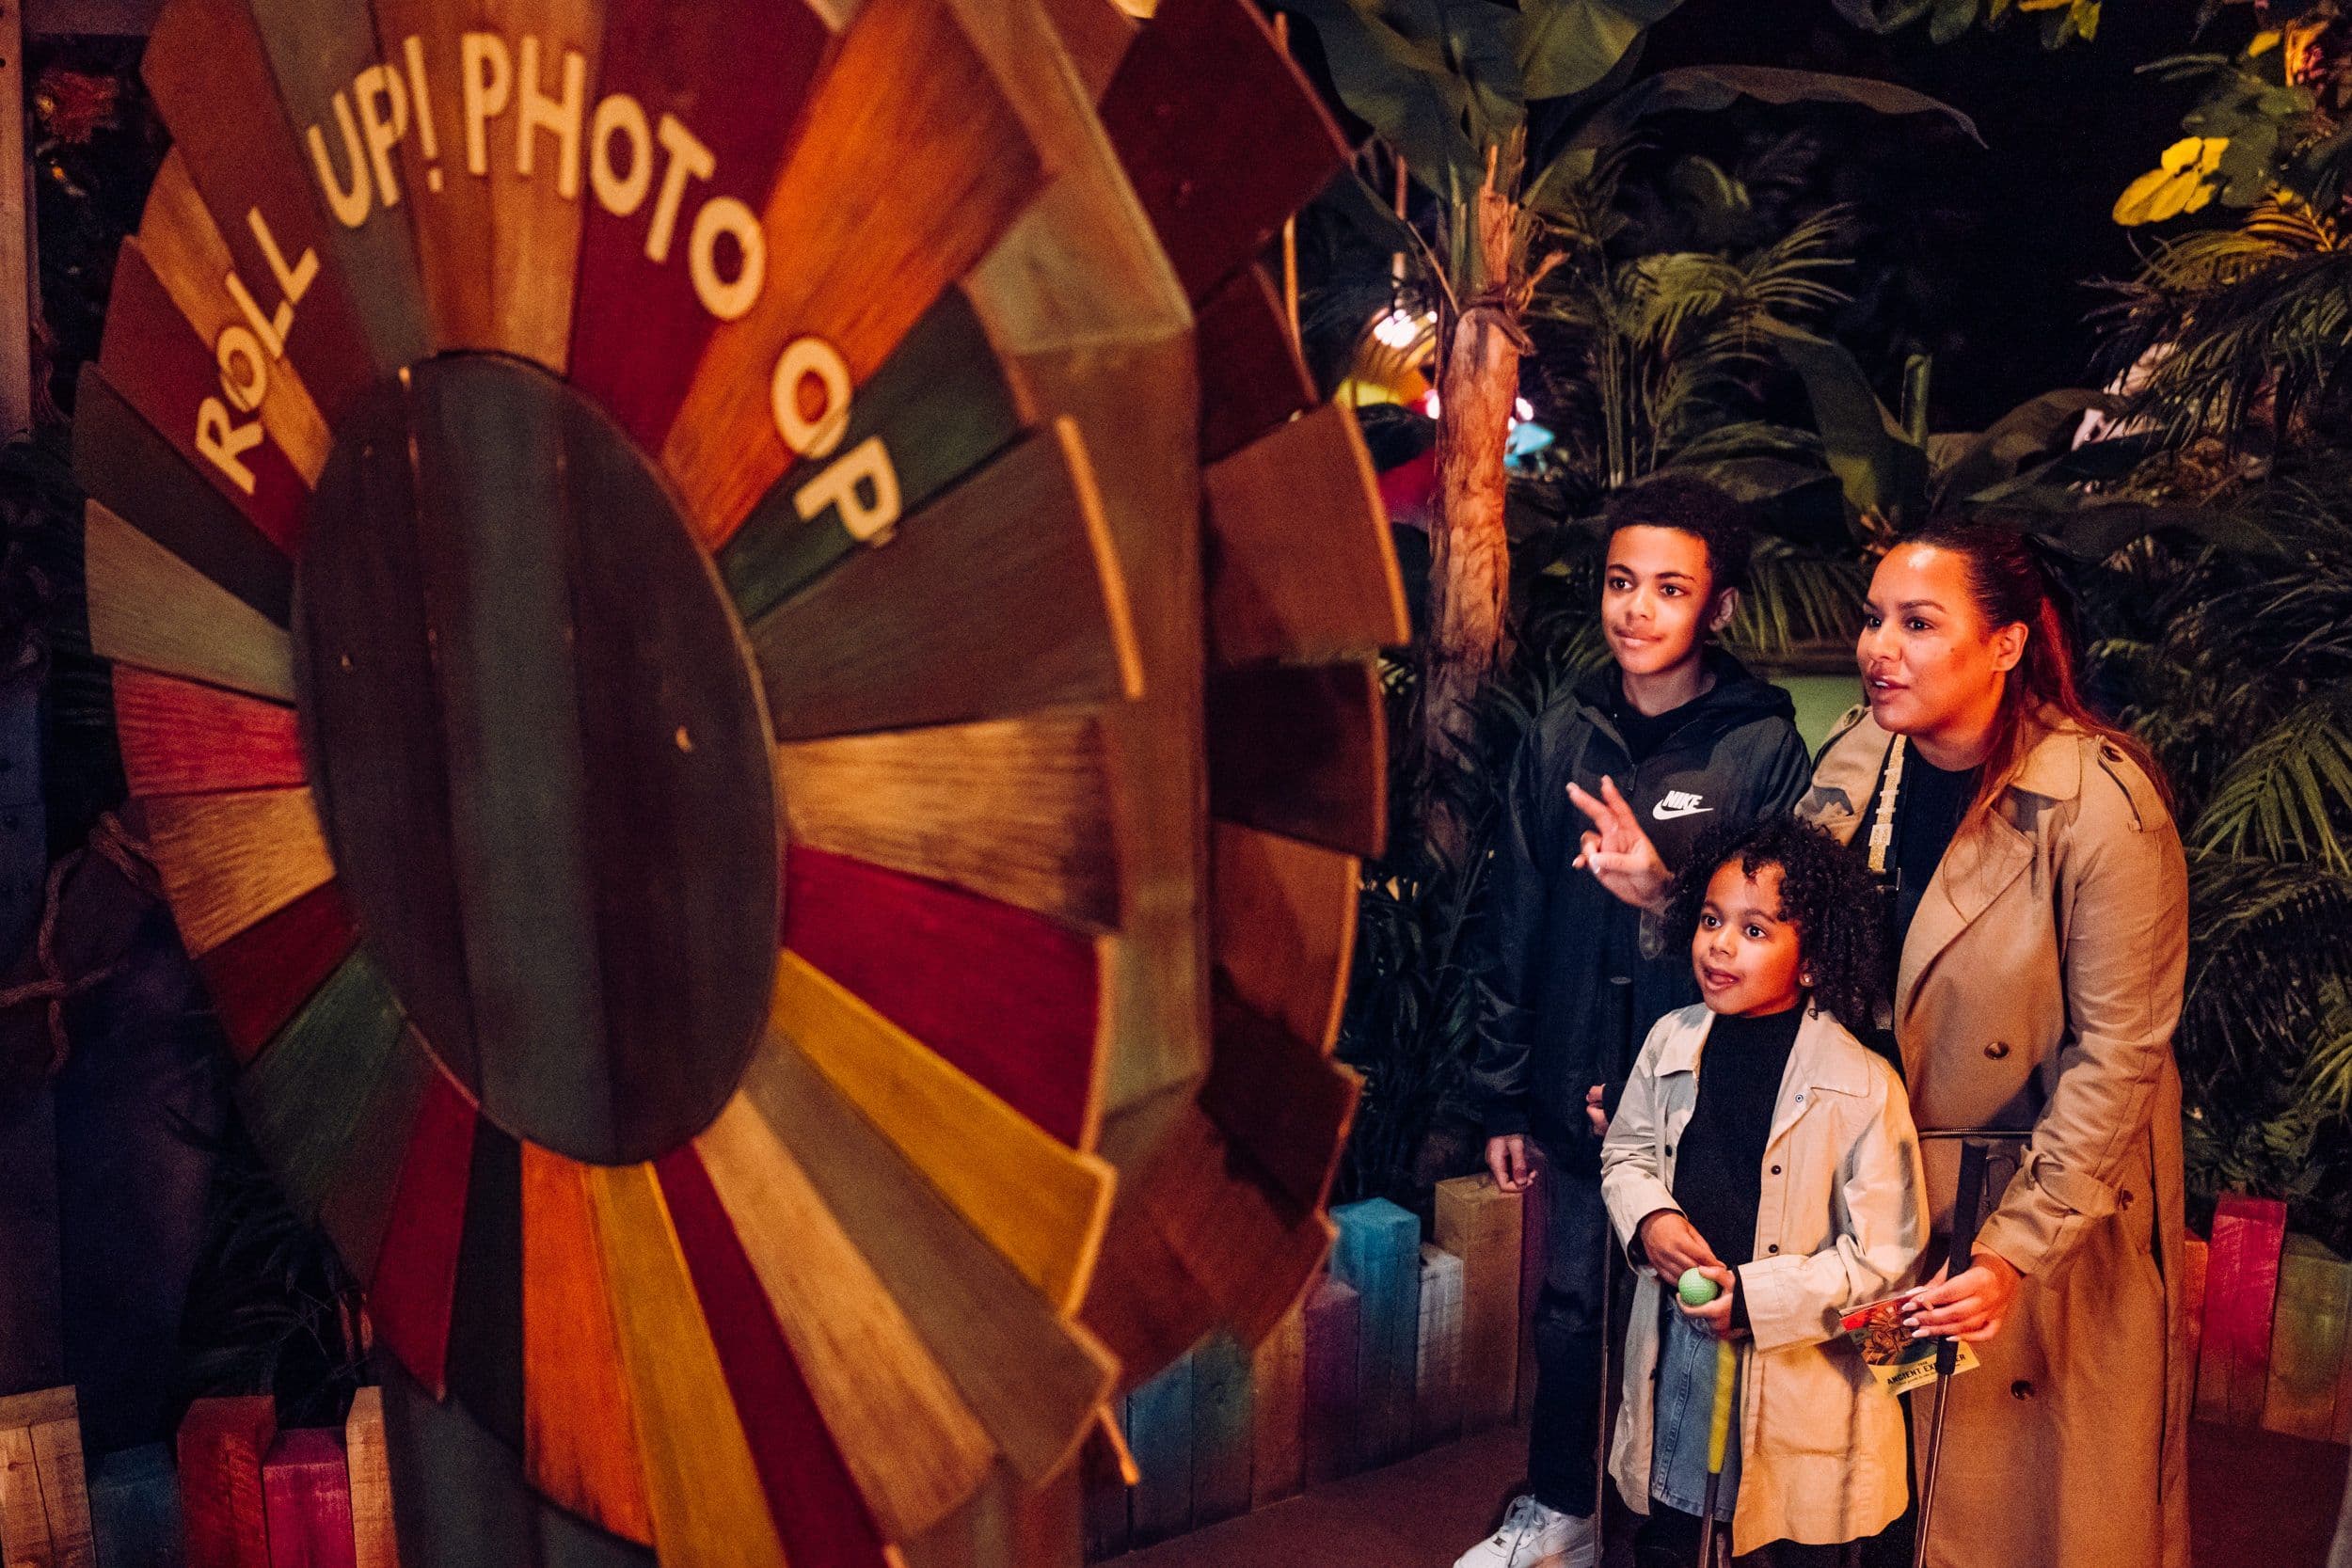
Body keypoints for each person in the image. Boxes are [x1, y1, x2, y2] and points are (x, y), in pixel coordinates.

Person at [1567, 520, 2191, 1568]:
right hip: (1863, 1184)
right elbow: (1790, 932)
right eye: (1871, 618)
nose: (1877, 646)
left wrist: (2010, 1251)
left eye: (1916, 622)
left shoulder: (2101, 804)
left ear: (2003, 645)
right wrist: (1672, 916)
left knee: (2009, 1513)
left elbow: (2119, 1058)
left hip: (2025, 1203)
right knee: (1851, 1498)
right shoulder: (1865, 752)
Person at [1459, 476, 1812, 1568]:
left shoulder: (1757, 741)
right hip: (1574, 1085)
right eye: (1620, 582)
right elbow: (1510, 912)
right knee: (1569, 1309)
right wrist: (1503, 1090)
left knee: (1687, 1321)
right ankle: (1559, 1506)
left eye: (1669, 586)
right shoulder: (1563, 731)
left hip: (1702, 1095)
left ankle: (1677, 1533)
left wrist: (1668, 888)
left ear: (1718, 606)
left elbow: (1784, 927)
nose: (1637, 608)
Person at [1602, 816, 1927, 1567]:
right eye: (1712, 920)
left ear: (1811, 959)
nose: (1720, 943)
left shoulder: (1864, 1084)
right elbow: (1624, 1153)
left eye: (1755, 930)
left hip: (1801, 1370)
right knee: (1674, 1529)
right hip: (1686, 1347)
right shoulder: (1668, 1039)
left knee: (1783, 1536)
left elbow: (1886, 1257)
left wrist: (1757, 1299)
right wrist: (1648, 1216)